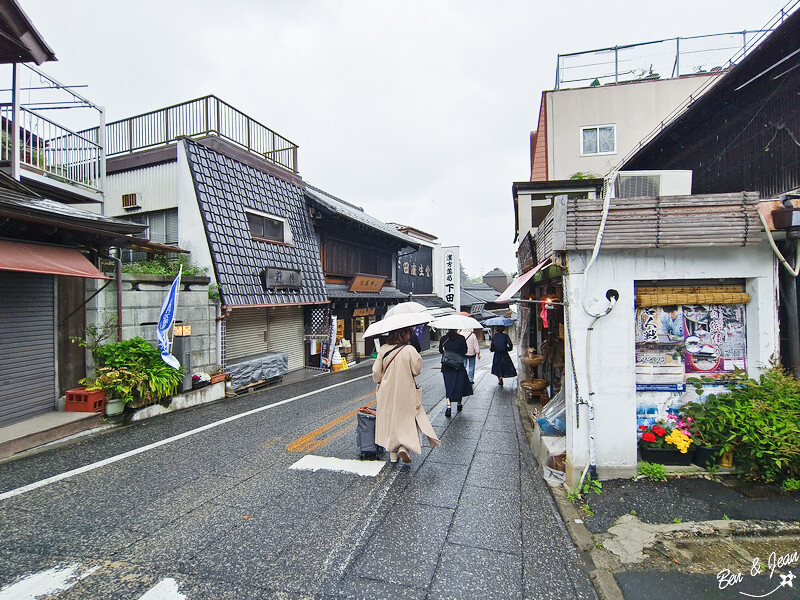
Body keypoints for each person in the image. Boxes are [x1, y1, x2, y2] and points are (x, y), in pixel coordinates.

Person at [373, 327, 440, 464]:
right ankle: (404, 447)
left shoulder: (384, 348)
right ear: (403, 334)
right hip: (406, 390)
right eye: (408, 332)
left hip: (387, 391)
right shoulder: (409, 350)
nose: (410, 335)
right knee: (407, 419)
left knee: (391, 420)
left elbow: (376, 373)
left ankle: (392, 454)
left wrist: (381, 380)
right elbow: (416, 370)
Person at [439, 329, 472, 417]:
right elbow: (465, 351)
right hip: (458, 365)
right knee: (459, 384)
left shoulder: (443, 338)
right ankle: (459, 403)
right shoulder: (461, 338)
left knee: (448, 385)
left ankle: (448, 407)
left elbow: (441, 351)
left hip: (447, 365)